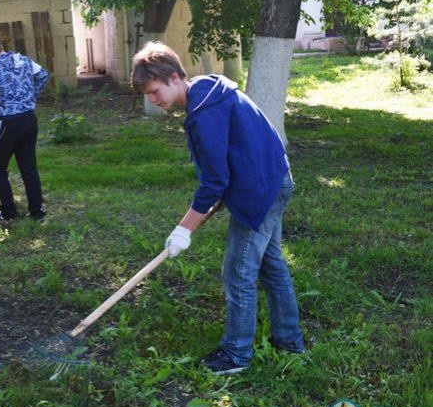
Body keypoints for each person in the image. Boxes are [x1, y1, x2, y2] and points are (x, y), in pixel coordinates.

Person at [131, 42, 305, 375]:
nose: (153, 99)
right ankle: (289, 340)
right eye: (148, 95)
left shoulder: (204, 113)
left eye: (155, 91)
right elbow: (228, 164)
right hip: (273, 177)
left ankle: (236, 354)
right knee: (271, 265)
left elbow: (214, 181)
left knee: (238, 273)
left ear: (174, 77)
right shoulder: (209, 91)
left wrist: (184, 229)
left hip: (260, 191)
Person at [0, 35, 50, 224]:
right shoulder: (24, 60)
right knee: (28, 166)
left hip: (7, 123)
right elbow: (43, 75)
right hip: (29, 120)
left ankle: (8, 212)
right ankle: (37, 210)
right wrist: (30, 97)